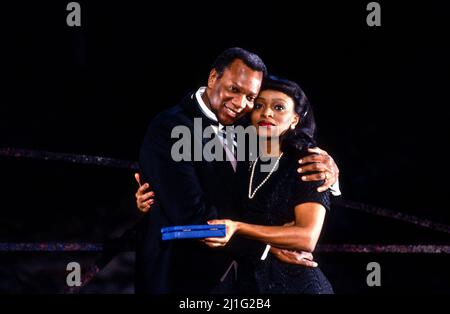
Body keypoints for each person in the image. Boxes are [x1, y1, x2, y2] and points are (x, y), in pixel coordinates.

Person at [136, 47, 339, 294]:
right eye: (234, 89)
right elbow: (191, 217)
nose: (241, 104)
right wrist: (265, 245)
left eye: (250, 97)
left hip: (244, 279)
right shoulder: (169, 127)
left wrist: (329, 167)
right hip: (183, 275)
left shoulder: (247, 124)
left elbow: (271, 171)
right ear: (213, 78)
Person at [203, 76, 333, 293]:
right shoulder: (240, 159)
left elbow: (306, 237)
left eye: (279, 107)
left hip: (297, 284)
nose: (266, 113)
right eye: (259, 105)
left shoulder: (308, 164)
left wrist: (238, 227)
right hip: (246, 282)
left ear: (295, 120)